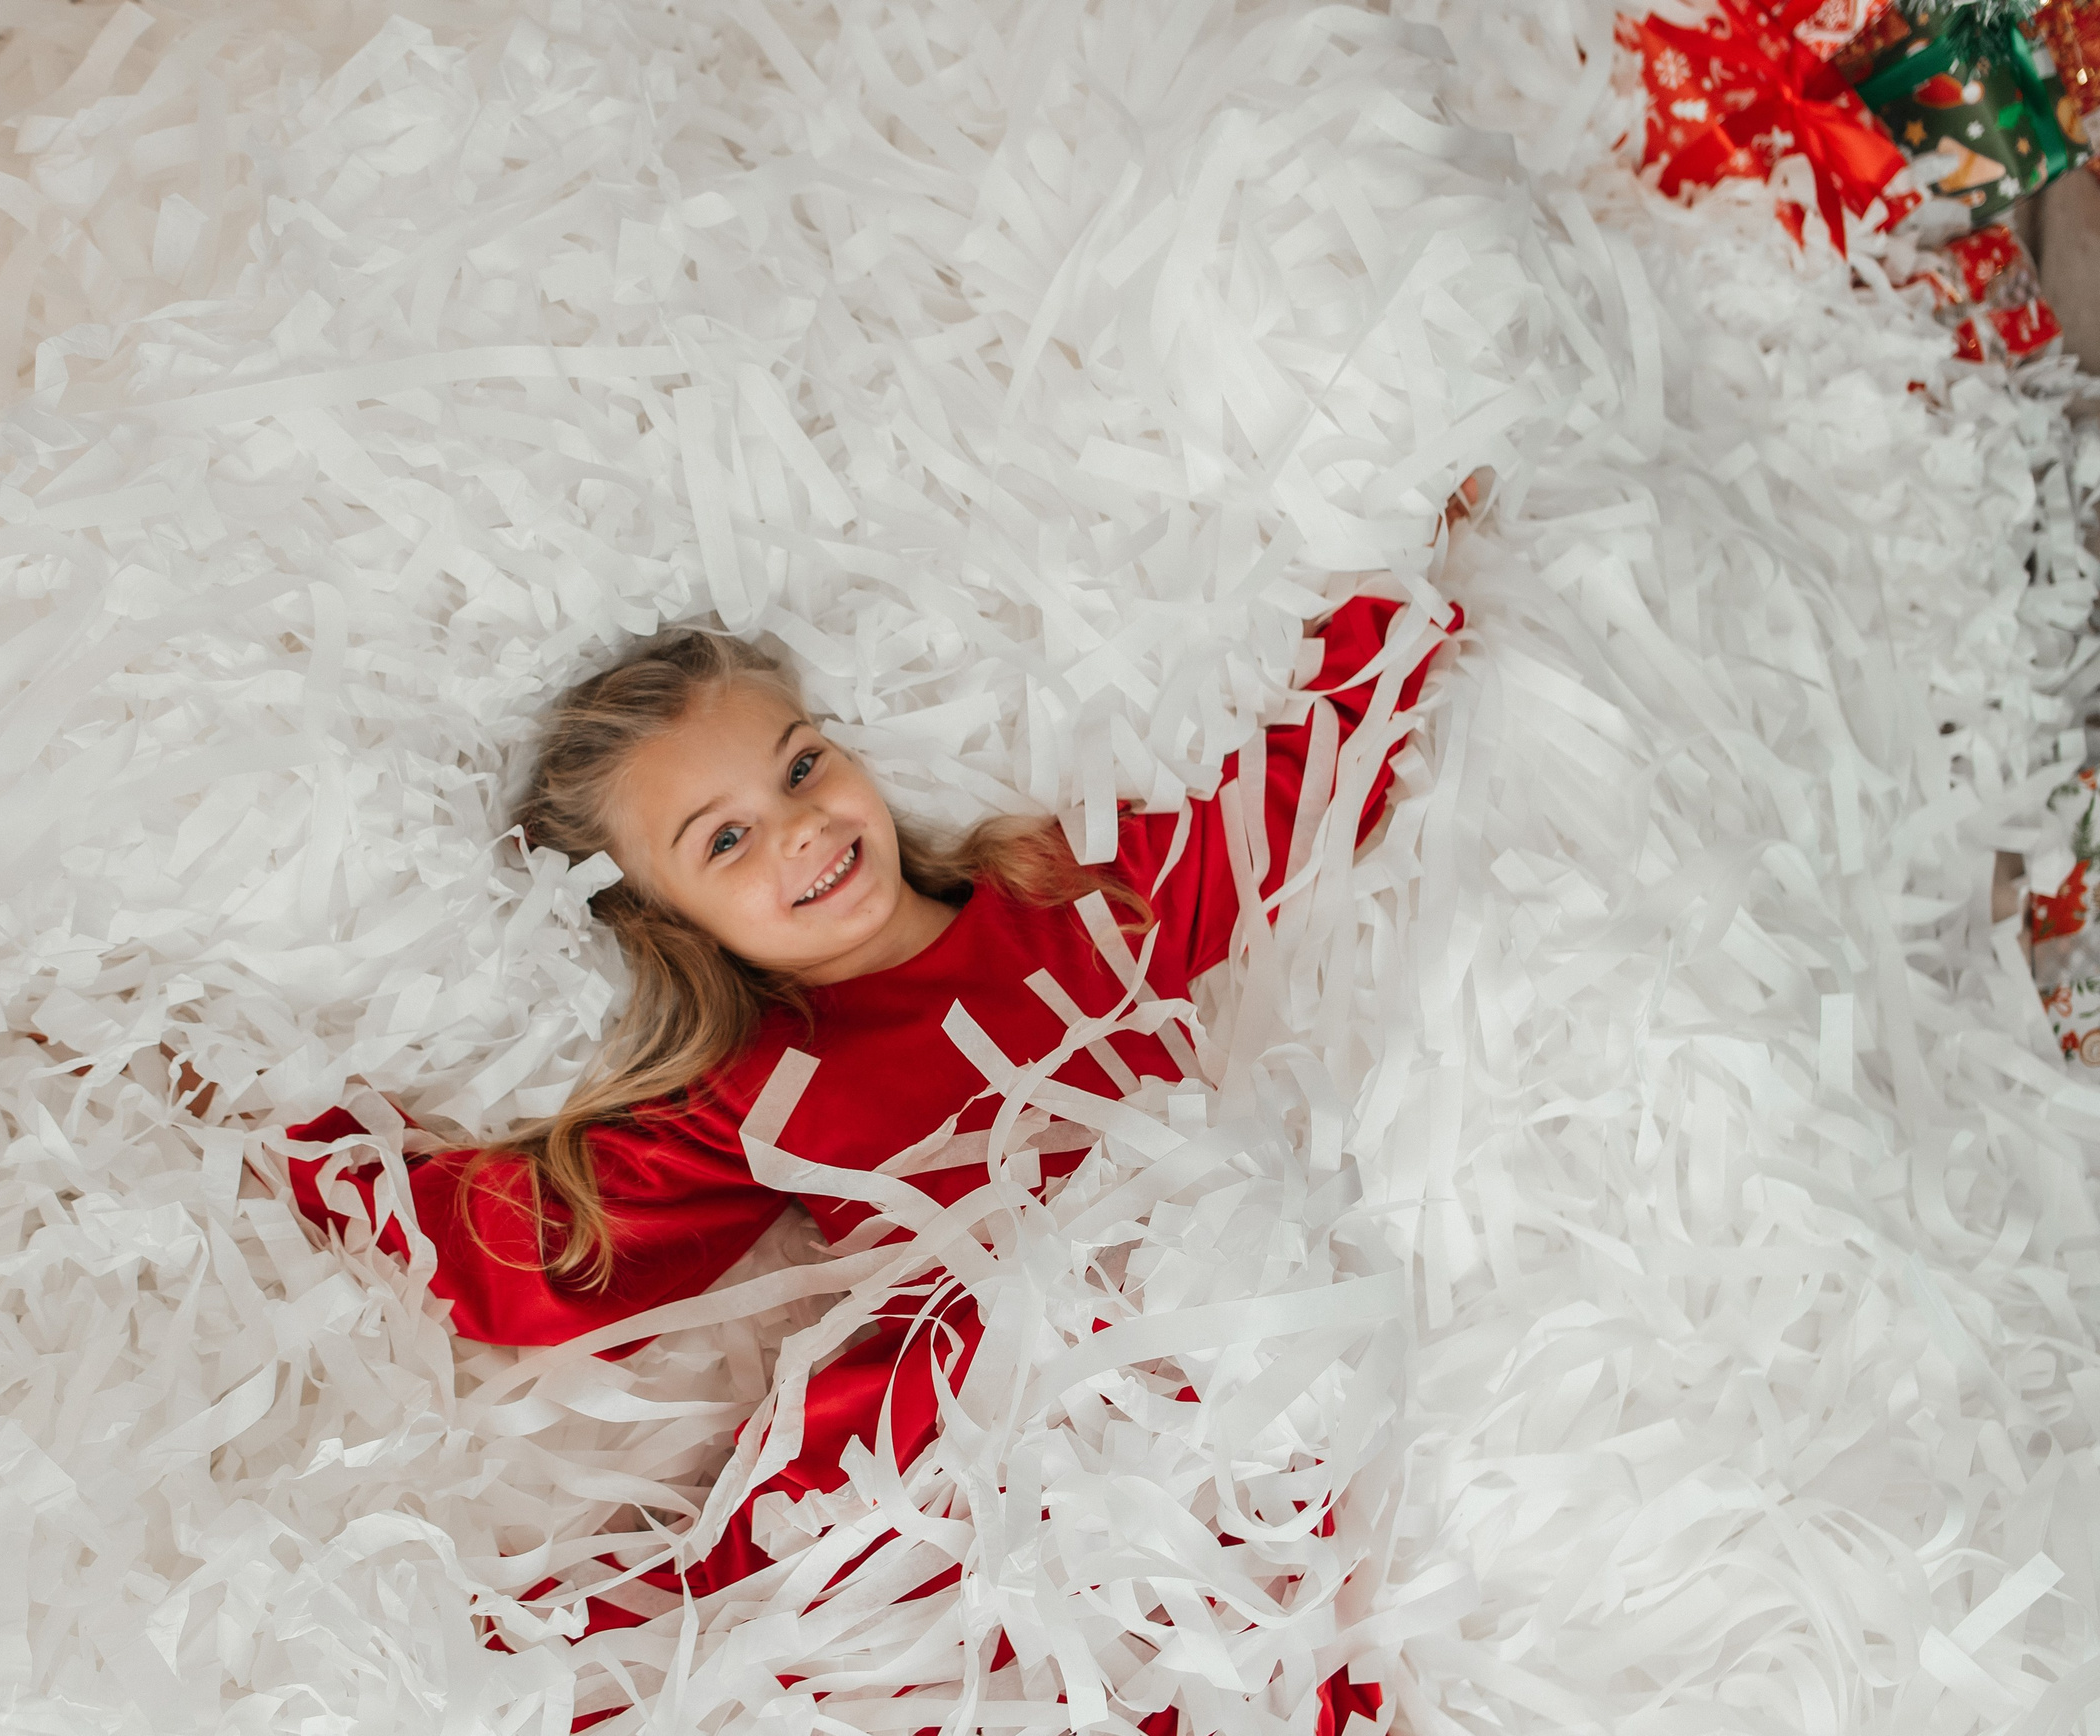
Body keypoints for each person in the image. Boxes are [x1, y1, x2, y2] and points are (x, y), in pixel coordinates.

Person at [246, 578, 1460, 1734]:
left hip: (1217, 1381)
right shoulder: (757, 1082)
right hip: (963, 1457)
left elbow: (1287, 805)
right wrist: (282, 1122)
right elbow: (541, 1254)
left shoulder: (1069, 895)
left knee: (1253, 1658)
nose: (802, 830)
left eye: (801, 766)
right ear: (669, 919)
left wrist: (1401, 599)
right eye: (726, 840)